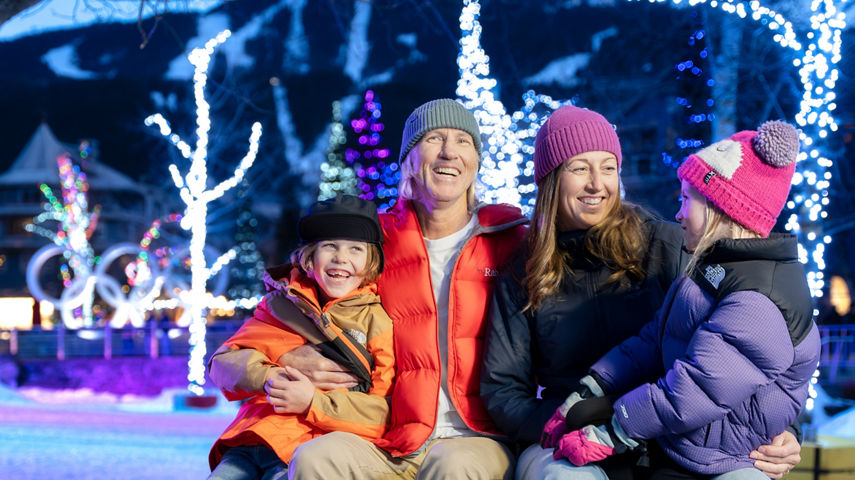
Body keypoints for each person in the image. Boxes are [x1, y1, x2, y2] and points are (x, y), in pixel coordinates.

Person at [480, 105, 804, 479]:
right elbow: (503, 390)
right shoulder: (524, 270)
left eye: (607, 168)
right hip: (568, 431)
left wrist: (786, 432)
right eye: (579, 168)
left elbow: (744, 350)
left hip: (671, 434)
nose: (596, 184)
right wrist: (564, 423)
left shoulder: (663, 243)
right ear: (551, 179)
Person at [213, 99, 528, 479]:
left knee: (454, 466)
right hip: (394, 435)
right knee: (316, 458)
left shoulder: (512, 243)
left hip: (477, 434)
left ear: (476, 161)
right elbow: (306, 301)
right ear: (409, 159)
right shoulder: (373, 241)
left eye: (463, 141)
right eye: (433, 138)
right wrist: (286, 358)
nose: (449, 151)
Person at [206, 195, 395, 480]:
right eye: (329, 245)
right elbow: (223, 363)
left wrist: (312, 402)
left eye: (355, 248)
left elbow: (381, 413)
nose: (341, 257)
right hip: (254, 439)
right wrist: (273, 376)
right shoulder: (283, 305)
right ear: (309, 256)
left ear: (371, 261)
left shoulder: (375, 321)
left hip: (307, 450)